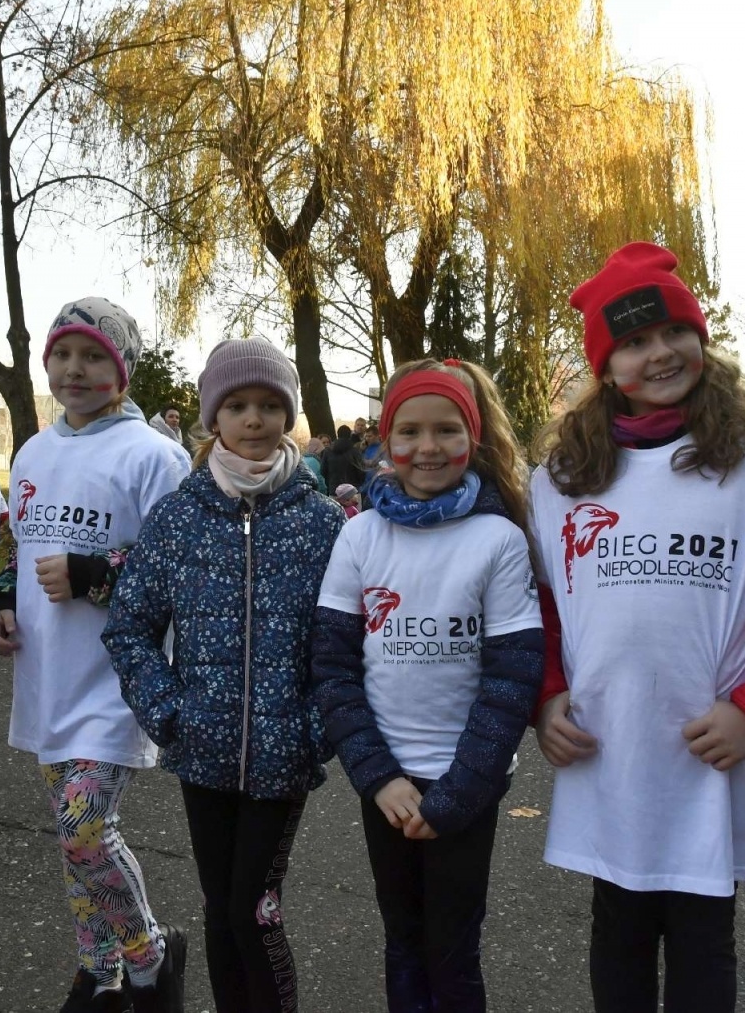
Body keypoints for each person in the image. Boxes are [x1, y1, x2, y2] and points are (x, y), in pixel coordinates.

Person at [530, 242, 745, 1012]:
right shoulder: (564, 476)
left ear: (700, 339)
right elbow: (538, 604)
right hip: (606, 752)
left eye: (672, 333)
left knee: (704, 940)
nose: (659, 354)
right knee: (615, 933)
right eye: (634, 343)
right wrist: (545, 697)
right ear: (606, 366)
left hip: (710, 754)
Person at [105, 339, 343, 1013]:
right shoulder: (179, 518)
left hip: (283, 757)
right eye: (237, 405)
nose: (254, 419)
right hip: (202, 753)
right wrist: (169, 713)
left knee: (254, 911)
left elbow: (346, 644)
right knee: (219, 909)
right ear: (214, 418)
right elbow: (130, 626)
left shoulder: (322, 523)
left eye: (270, 405)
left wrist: (313, 730)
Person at [312, 358, 545, 1012]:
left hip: (465, 786)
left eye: (447, 429)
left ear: (473, 437)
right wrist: (378, 776)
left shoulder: (497, 539)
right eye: (409, 431)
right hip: (386, 784)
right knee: (403, 940)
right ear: (385, 440)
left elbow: (512, 675)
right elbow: (333, 669)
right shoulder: (358, 537)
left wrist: (460, 792)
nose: (428, 447)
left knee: (452, 948)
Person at [0, 298, 190, 1013]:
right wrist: (2, 602)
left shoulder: (155, 456)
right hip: (47, 675)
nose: (74, 370)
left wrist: (94, 575)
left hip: (115, 681)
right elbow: (15, 543)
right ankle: (96, 969)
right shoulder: (36, 450)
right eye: (62, 354)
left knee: (85, 829)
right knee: (73, 838)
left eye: (93, 356)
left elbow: (182, 567)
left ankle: (152, 962)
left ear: (123, 370)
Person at [321, 425, 365, 493]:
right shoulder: (355, 452)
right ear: (350, 436)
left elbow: (323, 471)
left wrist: (330, 483)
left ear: (337, 435)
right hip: (352, 491)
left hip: (334, 490)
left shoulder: (328, 451)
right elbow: (361, 471)